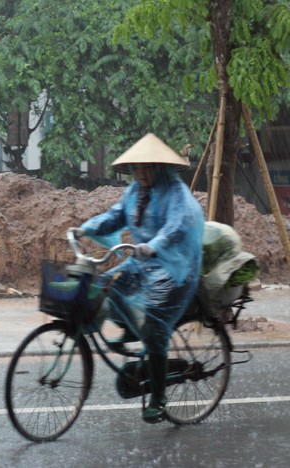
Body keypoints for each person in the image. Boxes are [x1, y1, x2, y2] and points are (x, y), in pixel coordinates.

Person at [73, 133, 204, 424]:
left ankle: (158, 397)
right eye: (137, 168)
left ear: (159, 167)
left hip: (176, 268)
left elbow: (178, 225)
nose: (141, 173)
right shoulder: (134, 191)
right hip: (144, 263)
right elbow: (115, 215)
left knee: (156, 328)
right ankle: (131, 329)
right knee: (105, 285)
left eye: (147, 167)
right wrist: (85, 228)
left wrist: (154, 245)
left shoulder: (176, 193)